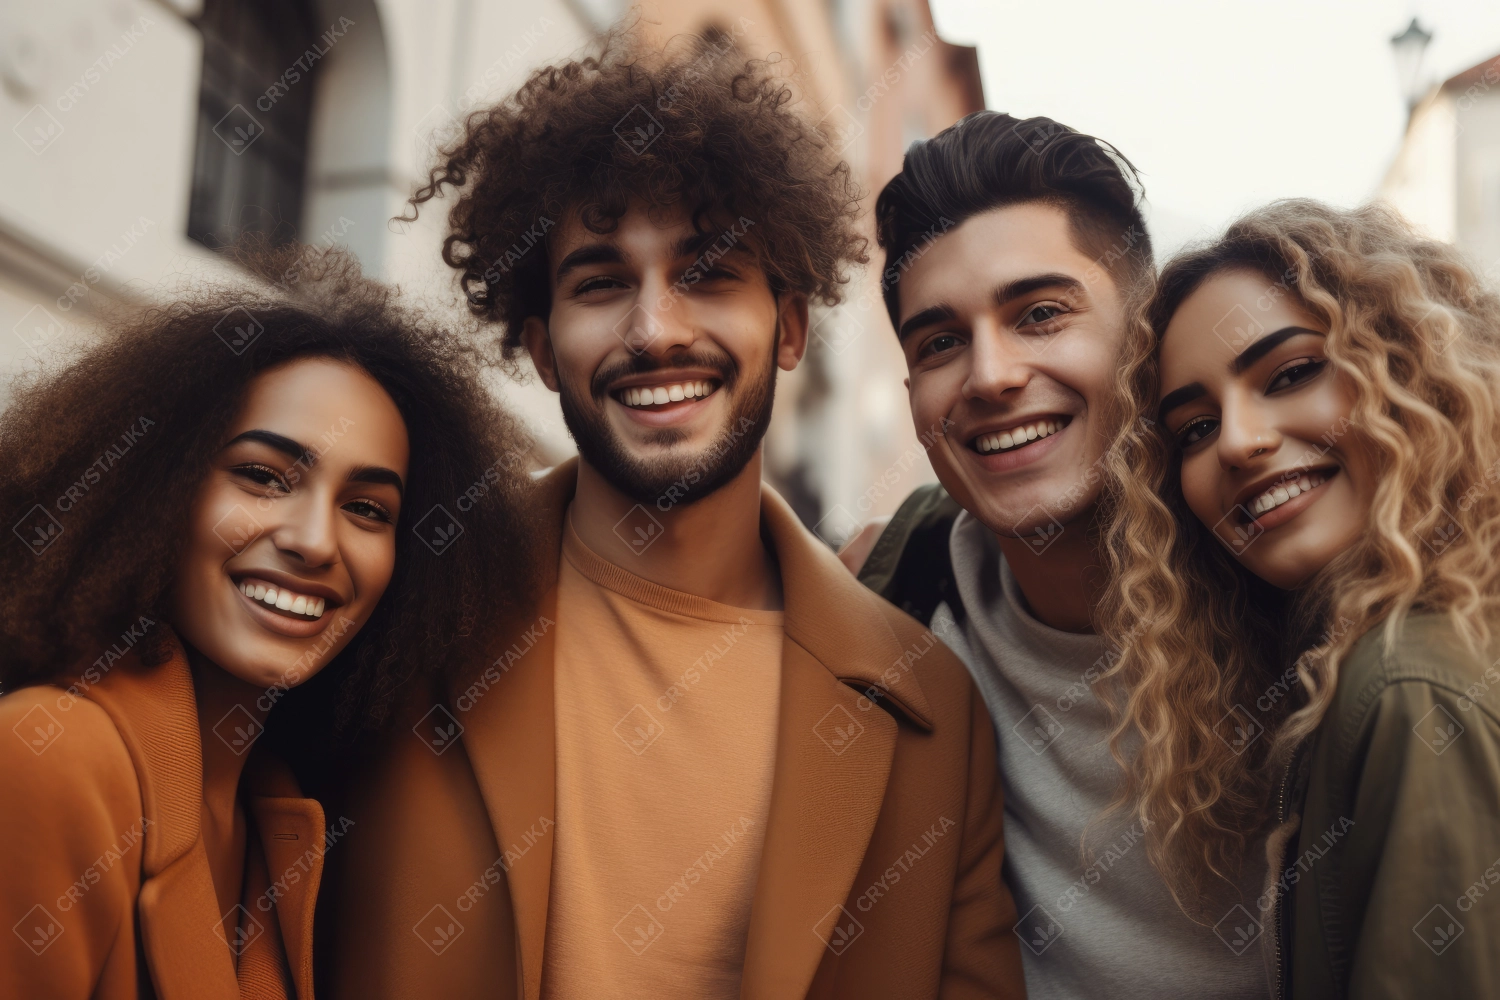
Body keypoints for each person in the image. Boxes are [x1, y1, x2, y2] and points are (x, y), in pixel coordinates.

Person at [324, 34, 1024, 1000]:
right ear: (539, 346)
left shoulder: (934, 715)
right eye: (602, 282)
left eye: (707, 272)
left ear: (787, 328)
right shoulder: (402, 608)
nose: (655, 331)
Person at [0, 244, 537, 999]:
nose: (314, 540)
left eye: (367, 509)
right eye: (262, 476)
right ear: (156, 488)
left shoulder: (279, 808)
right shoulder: (50, 760)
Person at [846, 111, 1268, 999]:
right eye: (940, 342)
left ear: (1146, 340)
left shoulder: (1293, 590)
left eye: (1041, 314)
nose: (991, 375)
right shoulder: (895, 601)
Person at [1099, 199, 1500, 997]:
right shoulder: (1376, 661)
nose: (1240, 440)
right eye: (1194, 429)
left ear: (1413, 371)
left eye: (1289, 374)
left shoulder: (1405, 682)